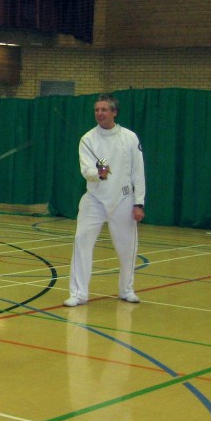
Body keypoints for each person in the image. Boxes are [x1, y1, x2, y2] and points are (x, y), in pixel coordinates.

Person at [64, 93, 146, 306]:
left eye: (104, 110)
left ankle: (126, 289)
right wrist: (98, 173)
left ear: (114, 112)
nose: (99, 113)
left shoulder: (129, 137)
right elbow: (86, 169)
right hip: (94, 199)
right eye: (97, 110)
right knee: (82, 241)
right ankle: (79, 293)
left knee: (127, 248)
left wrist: (139, 202)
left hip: (124, 199)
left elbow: (138, 172)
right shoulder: (87, 139)